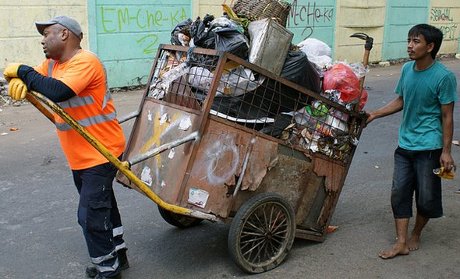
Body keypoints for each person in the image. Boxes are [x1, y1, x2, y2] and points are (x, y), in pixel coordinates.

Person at [3, 16, 129, 278]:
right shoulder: (52, 64)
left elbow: (59, 91)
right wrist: (22, 81)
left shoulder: (86, 62)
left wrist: (23, 72)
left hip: (101, 151)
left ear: (64, 35)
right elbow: (38, 79)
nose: (42, 39)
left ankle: (108, 269)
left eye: (47, 33)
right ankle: (119, 254)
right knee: (102, 205)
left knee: (90, 215)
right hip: (81, 154)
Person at [366, 24, 457, 259]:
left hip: (430, 147)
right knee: (399, 193)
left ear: (430, 46)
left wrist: (446, 152)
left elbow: (447, 116)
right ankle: (402, 242)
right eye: (409, 40)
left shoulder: (444, 77)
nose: (410, 45)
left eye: (416, 41)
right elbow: (401, 100)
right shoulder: (407, 69)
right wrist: (375, 114)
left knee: (426, 199)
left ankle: (416, 233)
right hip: (405, 145)